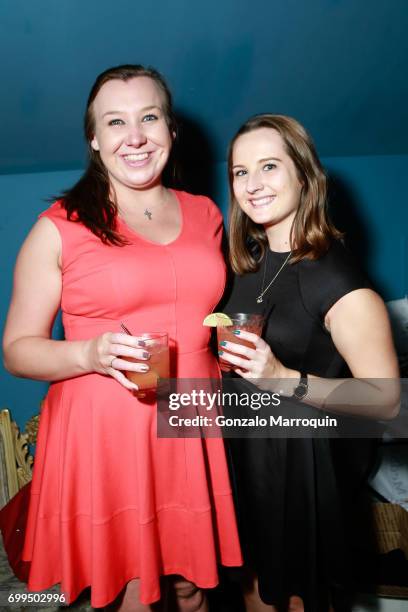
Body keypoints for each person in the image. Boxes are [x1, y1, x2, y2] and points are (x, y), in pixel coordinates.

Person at [2, 64, 242, 611]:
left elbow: (206, 311)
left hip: (192, 418)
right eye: (115, 122)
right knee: (138, 590)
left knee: (193, 586)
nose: (134, 137)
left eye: (149, 117)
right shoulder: (59, 226)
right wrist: (89, 352)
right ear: (94, 138)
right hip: (109, 432)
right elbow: (17, 349)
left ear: (171, 130)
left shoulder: (207, 213)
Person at [219, 114, 399, 612]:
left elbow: (386, 400)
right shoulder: (247, 266)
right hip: (245, 460)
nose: (252, 185)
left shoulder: (334, 277)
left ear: (304, 175)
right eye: (240, 172)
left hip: (300, 473)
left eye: (270, 166)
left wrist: (282, 378)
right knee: (252, 595)